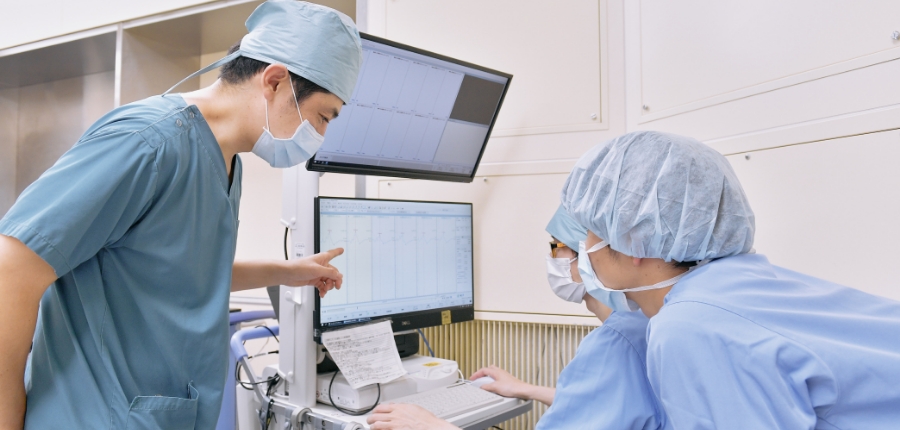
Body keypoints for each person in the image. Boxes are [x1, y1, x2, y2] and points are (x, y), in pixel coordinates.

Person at [0, 1, 362, 428]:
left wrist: (288, 272)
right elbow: (13, 267)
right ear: (274, 80)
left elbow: (185, 274)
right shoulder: (147, 142)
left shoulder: (228, 160)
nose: (319, 135)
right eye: (322, 117)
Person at [562, 130, 900, 429]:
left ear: (632, 238)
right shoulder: (743, 281)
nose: (584, 246)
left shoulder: (691, 327)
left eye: (590, 229)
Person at [366, 205, 668, 430]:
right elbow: (609, 406)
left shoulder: (614, 344)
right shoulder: (643, 322)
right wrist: (527, 389)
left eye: (557, 247)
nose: (552, 258)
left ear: (589, 254)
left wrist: (431, 426)